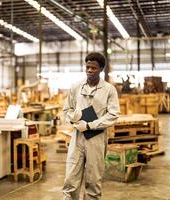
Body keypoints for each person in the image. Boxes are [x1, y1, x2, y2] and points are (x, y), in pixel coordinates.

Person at [62, 52, 120, 200]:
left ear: (101, 69)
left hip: (97, 138)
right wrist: (73, 118)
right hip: (77, 137)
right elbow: (66, 109)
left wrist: (90, 125)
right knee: (70, 179)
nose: (89, 70)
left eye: (93, 68)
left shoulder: (109, 90)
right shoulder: (76, 87)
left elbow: (113, 114)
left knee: (93, 181)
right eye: (87, 67)